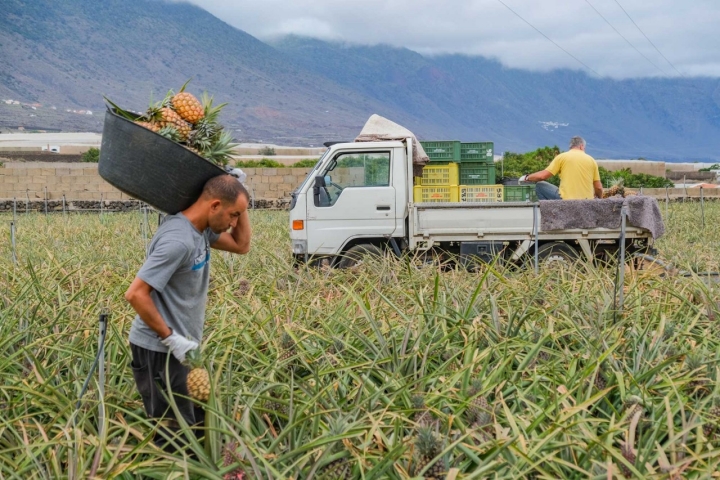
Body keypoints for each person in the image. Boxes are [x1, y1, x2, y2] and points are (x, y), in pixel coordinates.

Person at [125, 174, 251, 450]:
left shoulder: (201, 230)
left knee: (199, 424)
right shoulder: (178, 240)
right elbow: (135, 294)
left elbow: (241, 246)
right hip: (160, 350)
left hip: (184, 350)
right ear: (214, 205)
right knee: (173, 437)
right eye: (233, 216)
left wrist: (240, 191)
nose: (233, 223)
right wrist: (171, 338)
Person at [518, 136, 603, 200]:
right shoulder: (591, 160)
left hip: (566, 200)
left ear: (571, 146)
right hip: (587, 201)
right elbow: (598, 187)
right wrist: (598, 198)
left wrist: (527, 177)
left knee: (539, 186)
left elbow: (542, 176)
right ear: (581, 146)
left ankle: (550, 215)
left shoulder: (562, 157)